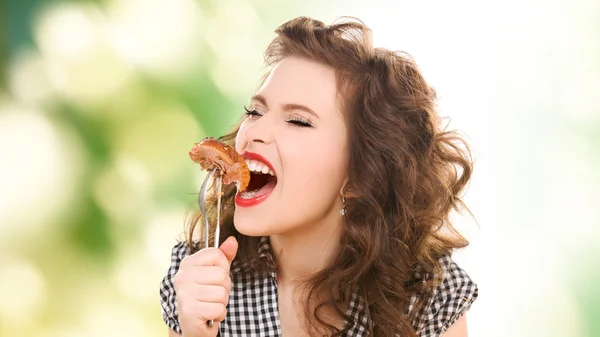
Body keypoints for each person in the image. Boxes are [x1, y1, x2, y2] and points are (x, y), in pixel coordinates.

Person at [159, 16, 478, 337]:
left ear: (360, 174)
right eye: (255, 111)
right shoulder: (198, 278)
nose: (254, 131)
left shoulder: (429, 297)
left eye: (298, 121)